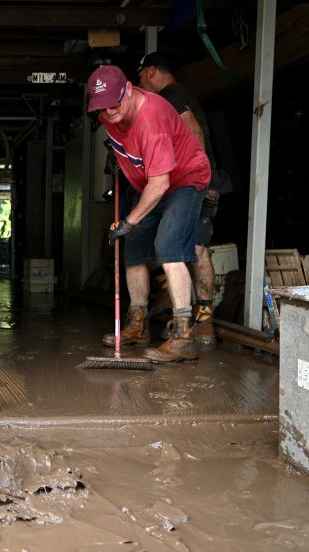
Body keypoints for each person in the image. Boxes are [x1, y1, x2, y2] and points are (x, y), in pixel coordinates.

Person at [87, 64, 211, 363]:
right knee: (134, 250)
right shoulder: (109, 114)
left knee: (168, 246)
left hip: (184, 180)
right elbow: (126, 147)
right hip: (151, 184)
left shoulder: (152, 116)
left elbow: (161, 182)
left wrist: (129, 221)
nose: (109, 112)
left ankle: (184, 336)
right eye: (102, 107)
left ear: (129, 90)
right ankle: (137, 324)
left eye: (115, 104)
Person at [137, 52, 228, 346]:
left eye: (140, 76)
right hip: (200, 182)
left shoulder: (171, 95)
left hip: (196, 183)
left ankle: (199, 322)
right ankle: (200, 320)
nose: (141, 82)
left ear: (151, 71)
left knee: (193, 249)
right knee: (190, 248)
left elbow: (194, 131)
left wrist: (192, 178)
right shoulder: (179, 94)